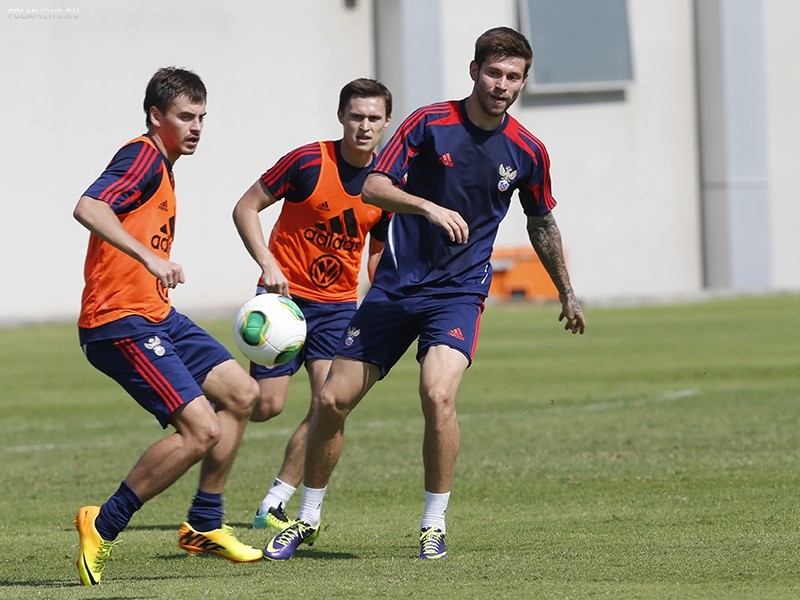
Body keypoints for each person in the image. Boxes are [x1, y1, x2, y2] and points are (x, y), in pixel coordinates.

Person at [263, 27, 586, 562]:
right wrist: (427, 207)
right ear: (473, 71)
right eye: (493, 73)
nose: (501, 84)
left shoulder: (528, 151)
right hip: (395, 287)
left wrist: (566, 292)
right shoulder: (429, 123)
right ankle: (307, 517)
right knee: (331, 399)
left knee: (437, 394)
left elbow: (541, 221)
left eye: (513, 77)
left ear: (524, 81)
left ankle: (433, 523)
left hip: (458, 293)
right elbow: (372, 186)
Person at [73, 67, 263, 586]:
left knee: (242, 394)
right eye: (185, 117)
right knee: (201, 429)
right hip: (120, 321)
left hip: (157, 314)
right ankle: (103, 523)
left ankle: (203, 523)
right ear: (156, 117)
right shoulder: (141, 156)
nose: (197, 126)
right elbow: (88, 207)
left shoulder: (166, 164)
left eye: (202, 117)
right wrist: (147, 258)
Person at [231, 78, 392, 532]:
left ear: (386, 123)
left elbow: (376, 248)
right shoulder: (307, 160)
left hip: (338, 308)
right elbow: (245, 207)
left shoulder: (385, 184)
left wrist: (380, 298)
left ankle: (276, 500)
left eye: (373, 118)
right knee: (265, 406)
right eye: (356, 116)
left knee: (330, 404)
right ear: (341, 116)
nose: (364, 126)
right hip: (283, 302)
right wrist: (268, 262)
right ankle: (207, 392)